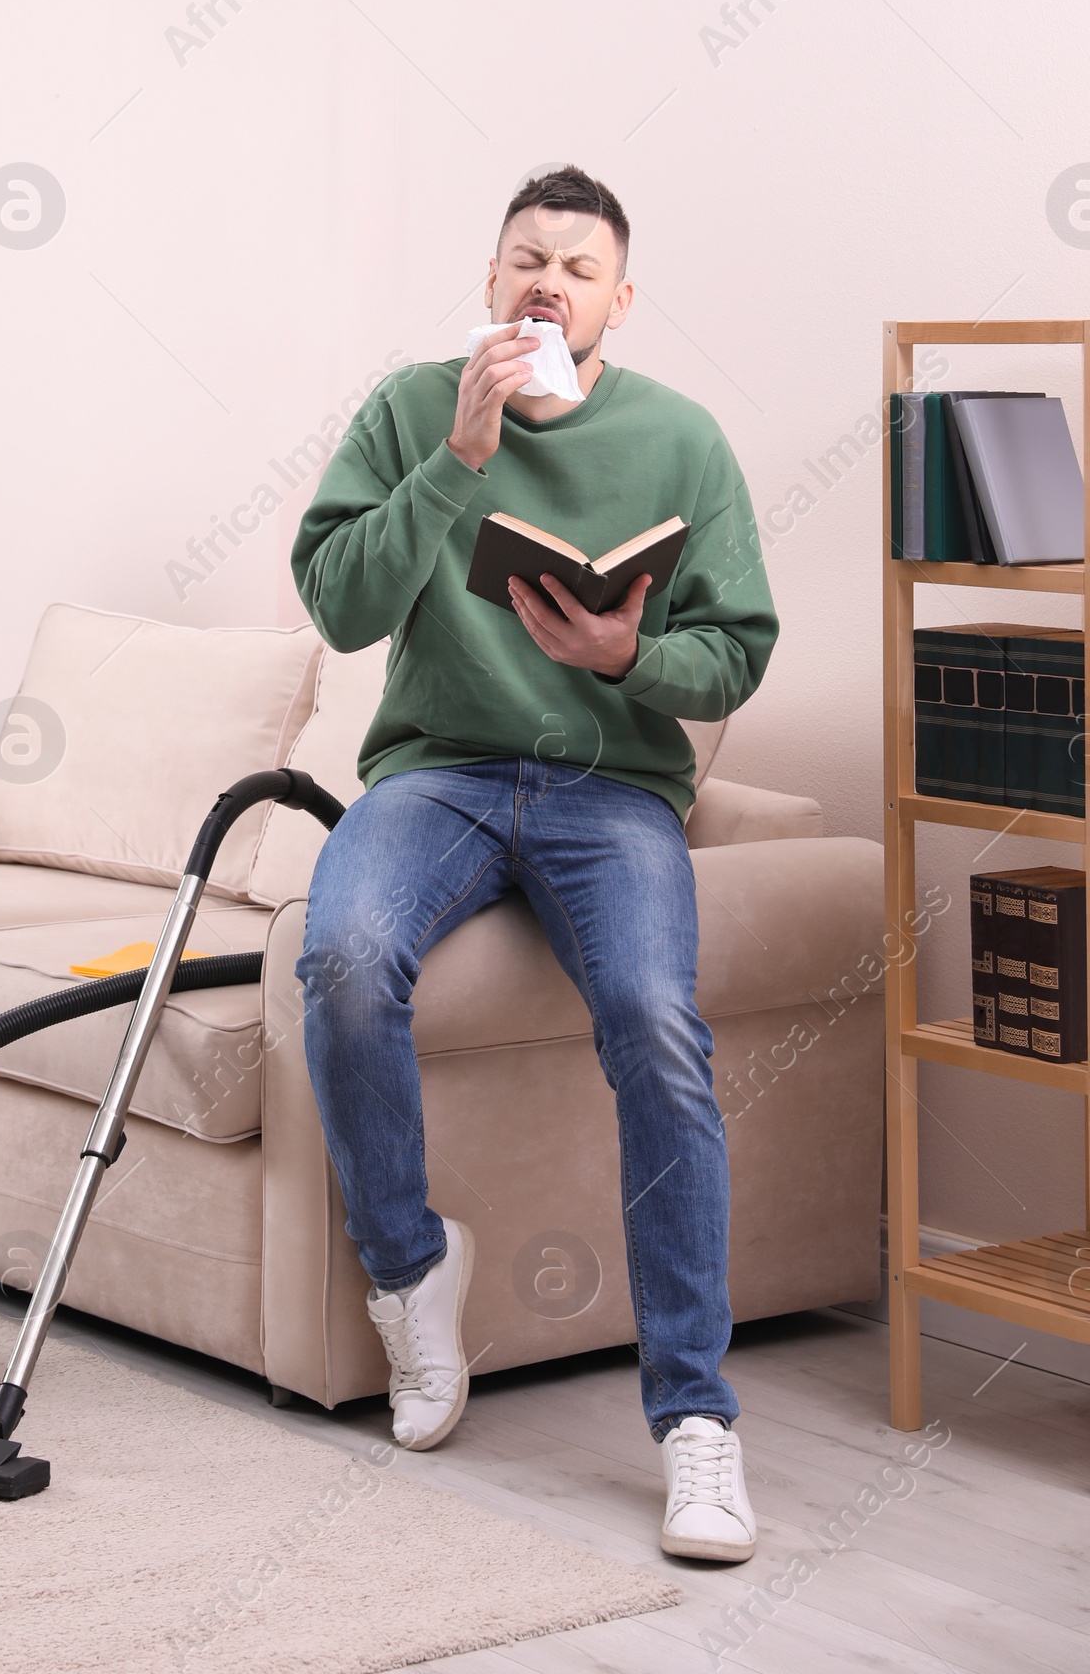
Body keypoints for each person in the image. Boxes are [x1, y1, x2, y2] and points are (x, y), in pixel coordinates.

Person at [289, 163, 778, 1564]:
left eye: (575, 265)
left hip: (611, 790)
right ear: (491, 283)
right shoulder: (413, 410)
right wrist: (458, 460)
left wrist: (629, 653)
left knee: (653, 1023)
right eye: (522, 259)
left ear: (620, 298)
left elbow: (739, 645)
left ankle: (694, 1419)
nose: (545, 281)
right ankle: (410, 1270)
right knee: (340, 958)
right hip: (436, 772)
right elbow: (338, 606)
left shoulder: (682, 440)